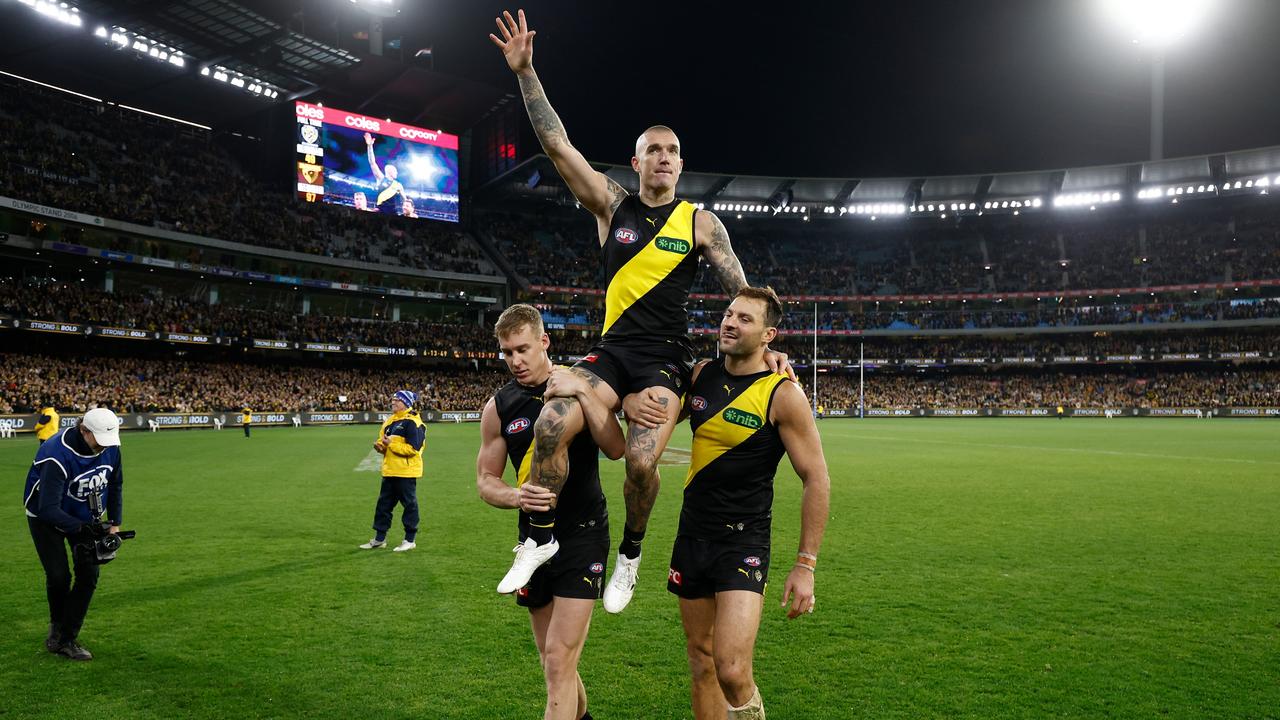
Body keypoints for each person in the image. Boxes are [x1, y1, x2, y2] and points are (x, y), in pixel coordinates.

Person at [490, 9, 792, 610]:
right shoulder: (612, 208)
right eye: (653, 149)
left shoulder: (700, 223)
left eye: (673, 151)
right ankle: (539, 540)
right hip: (611, 353)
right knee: (550, 422)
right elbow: (556, 144)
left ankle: (629, 552)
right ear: (636, 162)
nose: (664, 157)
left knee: (640, 462)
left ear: (681, 165)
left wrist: (766, 344)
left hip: (665, 362)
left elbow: (746, 296)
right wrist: (526, 72)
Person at [666, 288, 830, 719]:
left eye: (744, 318)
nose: (730, 322)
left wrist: (805, 564)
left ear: (768, 335)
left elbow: (816, 478)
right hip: (693, 534)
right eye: (728, 313)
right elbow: (654, 410)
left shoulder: (782, 394)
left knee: (732, 668)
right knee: (701, 660)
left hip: (743, 543)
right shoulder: (700, 375)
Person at [477, 304, 625, 720]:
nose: (515, 361)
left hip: (584, 534)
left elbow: (616, 448)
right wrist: (516, 497)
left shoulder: (582, 385)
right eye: (507, 353)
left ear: (544, 342)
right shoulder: (500, 407)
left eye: (522, 349)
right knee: (552, 660)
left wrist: (580, 390)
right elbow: (486, 480)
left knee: (559, 661)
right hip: (534, 542)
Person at [23, 407, 125, 661]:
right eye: (99, 440)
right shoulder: (55, 454)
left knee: (89, 574)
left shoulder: (110, 445)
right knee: (59, 576)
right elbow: (48, 508)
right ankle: (57, 626)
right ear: (84, 430)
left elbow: (115, 484)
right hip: (45, 518)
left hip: (84, 516)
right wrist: (81, 529)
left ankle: (67, 638)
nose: (104, 447)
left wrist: (114, 523)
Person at [359, 390, 425, 552]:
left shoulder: (413, 422)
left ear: (406, 403)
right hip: (390, 471)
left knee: (409, 506)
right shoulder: (389, 422)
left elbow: (414, 449)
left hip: (406, 472)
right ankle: (379, 539)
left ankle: (410, 540)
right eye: (393, 399)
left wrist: (390, 445)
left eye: (397, 400)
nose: (393, 402)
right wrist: (380, 447)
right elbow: (385, 443)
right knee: (383, 507)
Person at [364, 132, 407, 215]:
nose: (397, 173)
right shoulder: (381, 178)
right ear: (389, 171)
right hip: (380, 210)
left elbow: (405, 200)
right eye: (395, 171)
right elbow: (372, 163)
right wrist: (369, 146)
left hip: (393, 212)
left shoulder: (398, 185)